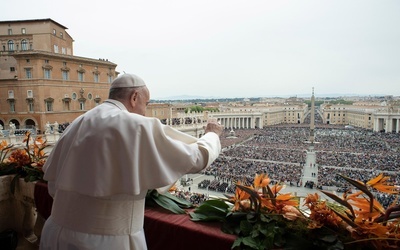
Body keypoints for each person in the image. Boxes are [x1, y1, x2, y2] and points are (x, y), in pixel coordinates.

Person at [39, 73, 223, 250]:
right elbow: (196, 157)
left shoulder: (78, 122)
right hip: (107, 242)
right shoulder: (136, 125)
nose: (145, 110)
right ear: (134, 97)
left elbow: (54, 186)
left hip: (56, 233)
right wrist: (212, 135)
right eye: (146, 103)